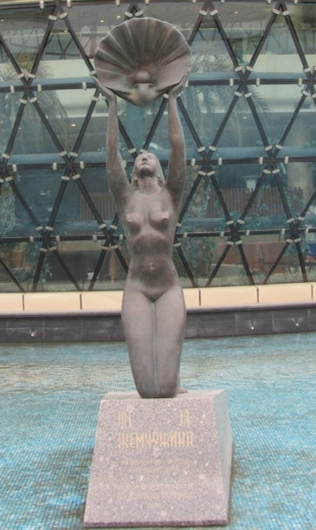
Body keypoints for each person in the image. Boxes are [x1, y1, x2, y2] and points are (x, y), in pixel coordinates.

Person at [98, 78, 187, 398]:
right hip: (136, 288)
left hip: (167, 287)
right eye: (139, 157)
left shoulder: (170, 196)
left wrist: (172, 100)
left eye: (150, 155)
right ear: (134, 173)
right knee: (145, 389)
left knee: (164, 387)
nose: (144, 155)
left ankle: (174, 380)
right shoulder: (126, 198)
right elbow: (111, 158)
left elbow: (178, 148)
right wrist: (111, 106)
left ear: (161, 171)